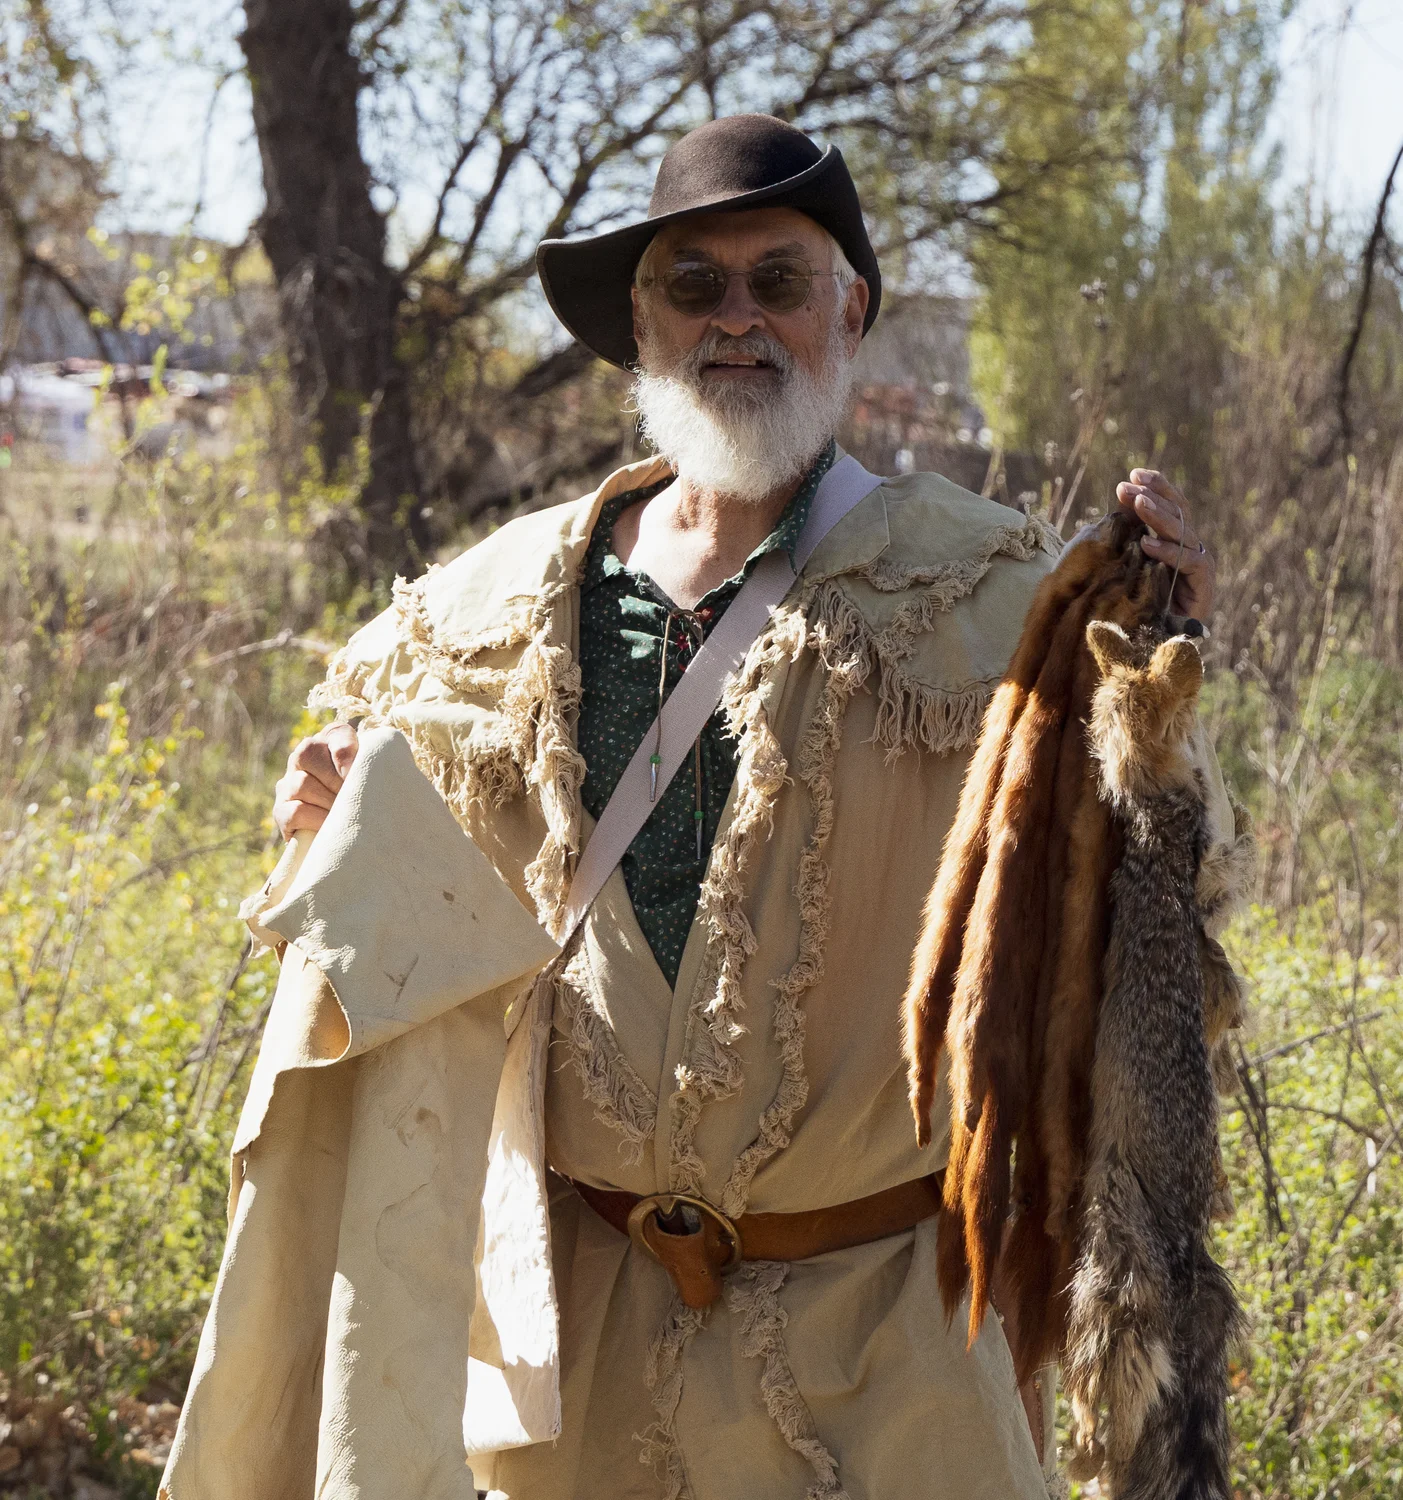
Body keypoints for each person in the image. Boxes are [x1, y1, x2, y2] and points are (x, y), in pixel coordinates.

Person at [174, 115, 1233, 1500]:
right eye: (694, 285)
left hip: (889, 1371)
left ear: (845, 310)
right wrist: (327, 826)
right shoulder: (480, 613)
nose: (735, 320)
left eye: (776, 282)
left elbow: (1144, 909)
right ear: (639, 321)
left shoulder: (998, 596)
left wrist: (1161, 670)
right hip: (572, 1363)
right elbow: (394, 935)